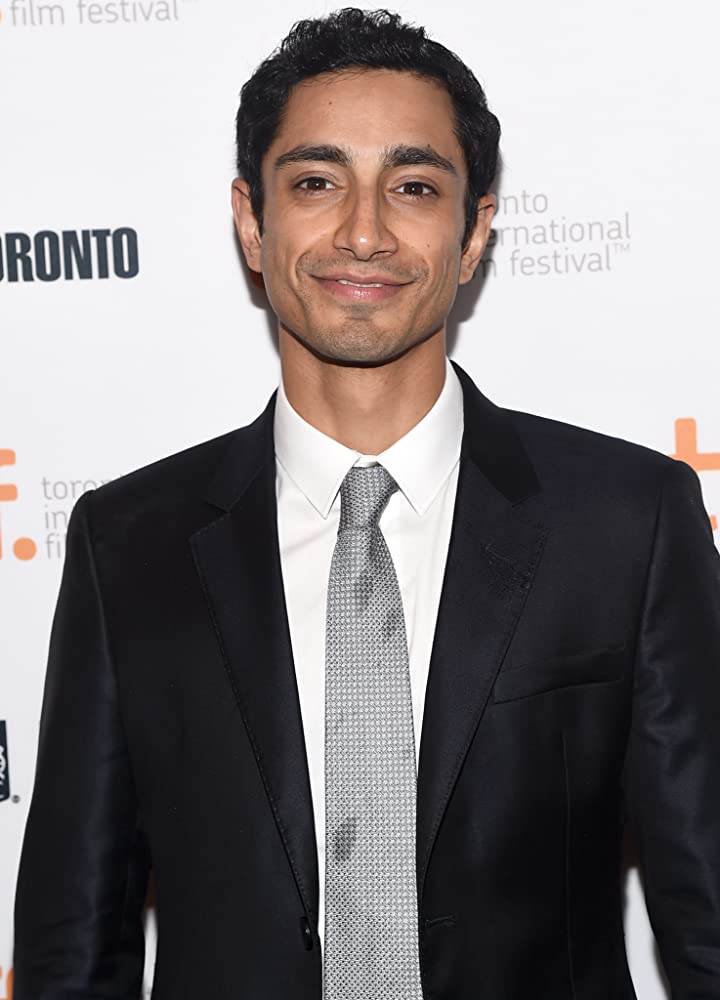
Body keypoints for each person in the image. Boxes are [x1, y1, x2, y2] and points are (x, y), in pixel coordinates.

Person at [13, 8, 720, 999]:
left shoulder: (626, 524)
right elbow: (72, 952)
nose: (363, 231)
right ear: (251, 222)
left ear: (474, 233)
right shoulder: (128, 546)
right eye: (316, 181)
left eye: (414, 186)